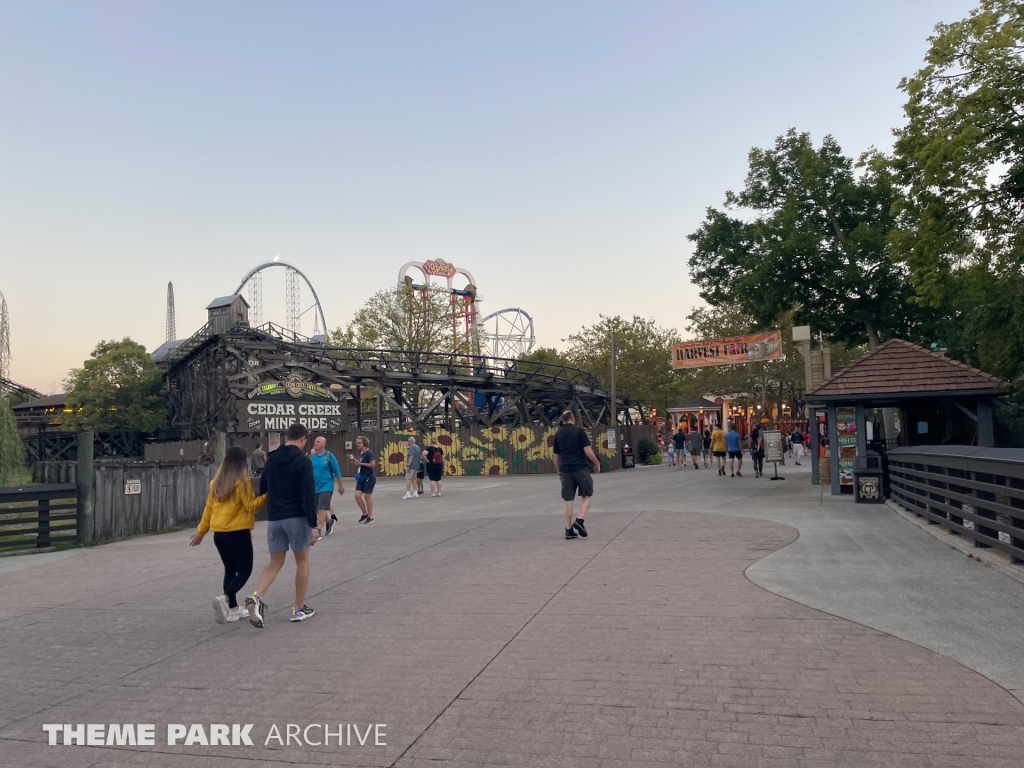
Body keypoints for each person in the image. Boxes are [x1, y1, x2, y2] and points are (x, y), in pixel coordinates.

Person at [245, 423, 318, 628]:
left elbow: (264, 489)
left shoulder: (271, 459)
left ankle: (257, 596)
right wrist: (313, 525)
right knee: (302, 561)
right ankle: (298, 608)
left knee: (274, 562)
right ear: (303, 439)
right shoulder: (303, 461)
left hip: (275, 518)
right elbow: (308, 493)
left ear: (288, 437)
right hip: (296, 516)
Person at [189, 446, 266, 623]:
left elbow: (208, 509)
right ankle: (225, 599)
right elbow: (251, 506)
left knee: (230, 570)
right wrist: (267, 496)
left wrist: (201, 532)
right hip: (238, 532)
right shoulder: (243, 482)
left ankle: (233, 610)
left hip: (219, 535)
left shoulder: (216, 484)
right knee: (245, 570)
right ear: (242, 462)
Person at [552, 410, 601, 540]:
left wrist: (559, 472)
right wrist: (596, 463)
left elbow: (556, 456)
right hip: (580, 468)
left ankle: (569, 530)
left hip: (566, 471)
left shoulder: (558, 434)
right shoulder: (579, 431)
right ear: (573, 419)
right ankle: (579, 520)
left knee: (568, 500)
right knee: (587, 495)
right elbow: (588, 450)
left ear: (563, 420)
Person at [309, 436, 344, 538]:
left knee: (322, 508)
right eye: (315, 441)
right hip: (315, 486)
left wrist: (341, 485)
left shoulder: (329, 456)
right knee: (316, 509)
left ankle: (319, 530)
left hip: (326, 486)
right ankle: (329, 521)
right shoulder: (311, 457)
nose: (315, 443)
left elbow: (337, 471)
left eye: (318, 442)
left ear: (323, 444)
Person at [349, 435, 376, 523]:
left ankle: (370, 516)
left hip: (369, 477)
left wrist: (361, 463)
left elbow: (372, 465)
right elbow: (360, 463)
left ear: (364, 443)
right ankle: (365, 513)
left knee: (367, 497)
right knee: (357, 496)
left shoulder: (369, 453)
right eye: (357, 442)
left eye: (359, 442)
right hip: (361, 477)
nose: (357, 444)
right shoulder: (362, 453)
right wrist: (354, 460)